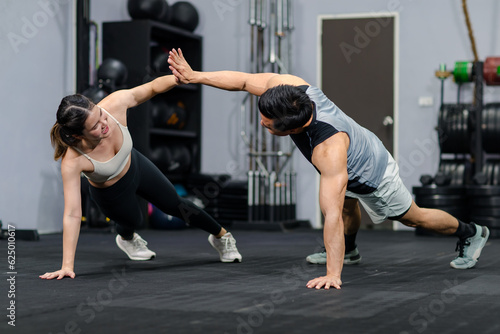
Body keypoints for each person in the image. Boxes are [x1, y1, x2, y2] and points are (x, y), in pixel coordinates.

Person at [167, 48, 490, 290]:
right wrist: (196, 76)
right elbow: (243, 81)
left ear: (292, 128)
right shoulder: (290, 88)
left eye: (268, 127)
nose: (263, 126)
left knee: (409, 216)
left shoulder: (328, 149)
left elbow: (330, 215)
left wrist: (332, 275)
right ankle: (350, 252)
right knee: (347, 205)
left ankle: (471, 233)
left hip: (372, 171)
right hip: (355, 149)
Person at [40, 73, 242, 280]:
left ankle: (222, 236)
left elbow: (153, 87)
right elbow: (73, 213)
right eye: (95, 127)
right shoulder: (73, 160)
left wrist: (180, 78)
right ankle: (127, 238)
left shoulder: (115, 103)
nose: (104, 123)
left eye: (101, 114)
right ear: (78, 135)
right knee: (134, 220)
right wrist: (67, 265)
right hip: (111, 193)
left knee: (177, 204)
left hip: (136, 164)